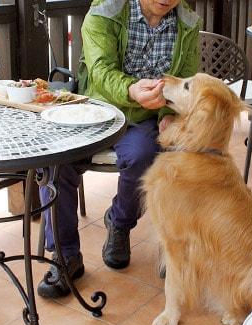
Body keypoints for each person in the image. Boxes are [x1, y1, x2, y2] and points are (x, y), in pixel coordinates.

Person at [37, 0, 200, 298]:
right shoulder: (106, 10)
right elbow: (99, 69)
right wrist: (131, 90)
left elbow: (182, 82)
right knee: (54, 162)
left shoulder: (187, 22)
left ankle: (120, 222)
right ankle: (65, 255)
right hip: (96, 111)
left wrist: (168, 116)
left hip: (143, 120)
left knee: (143, 157)